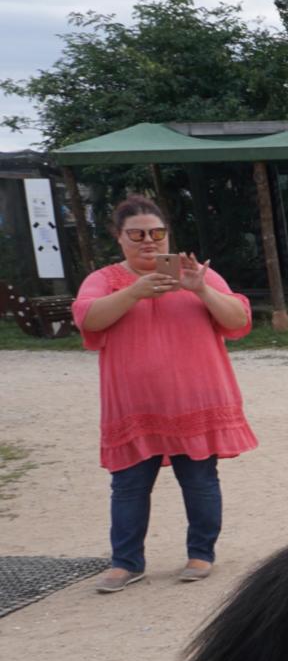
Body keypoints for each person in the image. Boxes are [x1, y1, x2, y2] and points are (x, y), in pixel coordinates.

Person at [71, 195, 255, 592]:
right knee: (129, 486)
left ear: (168, 235)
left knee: (200, 480)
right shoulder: (104, 279)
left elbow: (239, 319)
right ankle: (126, 563)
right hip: (134, 406)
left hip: (197, 400)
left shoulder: (197, 274)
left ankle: (200, 554)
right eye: (136, 234)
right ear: (119, 238)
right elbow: (88, 317)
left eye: (156, 233)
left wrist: (202, 289)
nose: (148, 241)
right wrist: (135, 292)